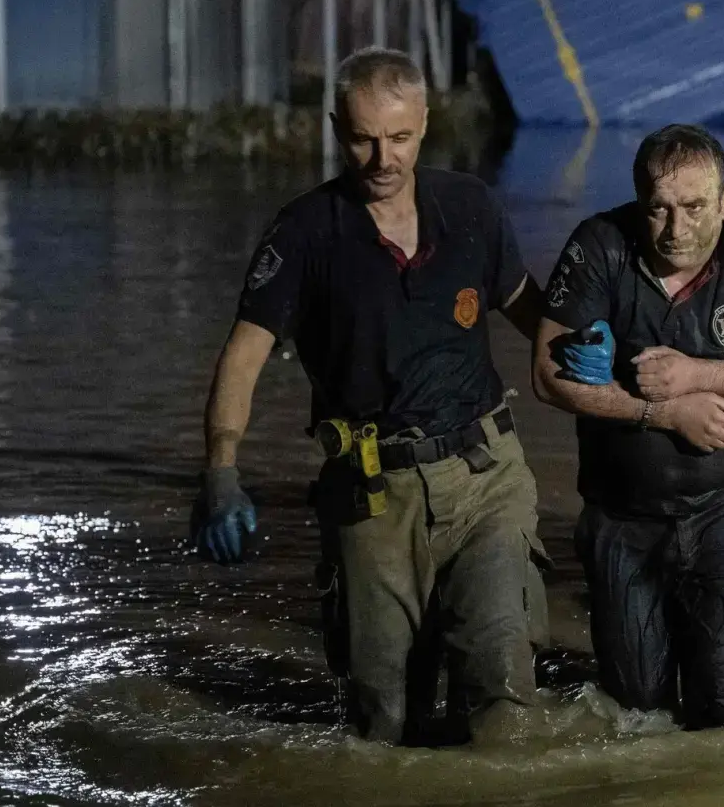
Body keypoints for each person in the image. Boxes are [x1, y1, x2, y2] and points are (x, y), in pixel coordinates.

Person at [191, 47, 551, 746]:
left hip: (487, 479)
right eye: (362, 138)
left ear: (424, 121)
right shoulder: (303, 233)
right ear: (335, 129)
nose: (382, 157)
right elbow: (243, 356)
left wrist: (611, 368)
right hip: (371, 493)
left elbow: (532, 312)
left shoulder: (471, 206)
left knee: (504, 695)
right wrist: (221, 469)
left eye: (400, 137)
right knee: (382, 719)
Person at [532, 124, 724, 730]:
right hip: (623, 515)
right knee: (634, 712)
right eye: (659, 210)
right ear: (639, 202)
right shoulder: (599, 247)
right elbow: (546, 374)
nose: (677, 229)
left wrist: (700, 374)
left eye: (695, 207)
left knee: (722, 707)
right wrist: (661, 412)